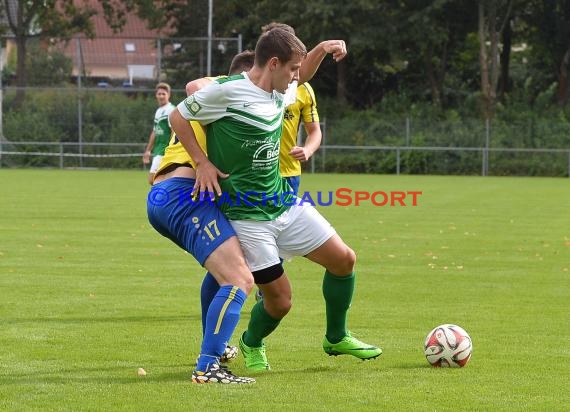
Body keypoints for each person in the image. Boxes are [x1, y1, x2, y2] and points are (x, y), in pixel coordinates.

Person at [169, 28, 382, 373]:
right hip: (247, 219)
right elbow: (177, 115)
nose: (298, 77)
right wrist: (202, 162)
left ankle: (336, 336)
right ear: (272, 63)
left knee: (344, 260)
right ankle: (251, 342)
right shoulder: (228, 91)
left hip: (284, 203)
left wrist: (323, 49)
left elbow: (306, 72)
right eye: (292, 70)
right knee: (280, 302)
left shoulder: (280, 91)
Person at [146, 78, 256, 384]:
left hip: (170, 193)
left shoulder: (226, 106)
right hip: (182, 195)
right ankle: (207, 367)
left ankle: (215, 351)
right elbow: (195, 86)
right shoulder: (233, 88)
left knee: (225, 273)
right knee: (239, 279)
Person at [143, 83, 176, 185]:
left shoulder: (171, 109)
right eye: (159, 94)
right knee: (157, 179)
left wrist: (171, 148)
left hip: (164, 149)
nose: (161, 96)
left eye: (163, 94)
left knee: (152, 179)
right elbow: (155, 131)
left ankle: (164, 197)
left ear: (168, 95)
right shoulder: (158, 111)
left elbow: (174, 130)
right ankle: (166, 197)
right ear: (156, 95)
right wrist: (148, 150)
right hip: (158, 149)